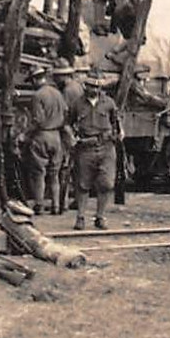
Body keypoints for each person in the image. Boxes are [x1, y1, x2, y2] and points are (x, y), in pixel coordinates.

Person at [69, 68, 123, 230]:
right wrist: (72, 137)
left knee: (106, 184)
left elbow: (116, 121)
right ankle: (80, 218)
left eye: (97, 87)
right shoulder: (77, 104)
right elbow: (68, 123)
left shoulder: (109, 103)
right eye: (91, 86)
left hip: (106, 147)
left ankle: (100, 217)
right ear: (86, 86)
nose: (94, 89)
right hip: (86, 147)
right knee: (83, 184)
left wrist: (120, 133)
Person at [23, 66, 67, 215]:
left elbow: (38, 120)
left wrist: (25, 134)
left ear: (36, 79)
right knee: (55, 174)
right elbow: (65, 112)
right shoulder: (58, 94)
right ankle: (56, 206)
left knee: (39, 173)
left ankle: (39, 205)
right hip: (56, 136)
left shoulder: (37, 96)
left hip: (42, 136)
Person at [54, 60, 84, 214]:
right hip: (79, 129)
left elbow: (64, 112)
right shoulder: (77, 86)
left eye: (57, 76)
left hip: (70, 132)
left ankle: (62, 203)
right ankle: (78, 200)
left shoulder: (67, 90)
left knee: (65, 168)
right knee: (78, 169)